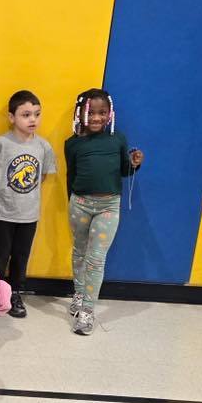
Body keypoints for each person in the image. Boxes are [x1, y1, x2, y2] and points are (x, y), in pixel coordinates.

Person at [65, 88, 144, 335]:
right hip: (79, 204)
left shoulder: (117, 139)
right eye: (91, 112)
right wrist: (71, 201)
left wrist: (134, 164)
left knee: (96, 259)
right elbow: (71, 175)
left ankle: (87, 311)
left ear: (110, 114)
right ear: (80, 113)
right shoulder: (72, 143)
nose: (96, 118)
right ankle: (79, 294)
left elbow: (123, 170)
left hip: (108, 206)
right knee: (79, 251)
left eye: (102, 112)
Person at [0, 90, 56, 318]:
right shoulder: (1, 143)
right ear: (12, 117)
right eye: (26, 115)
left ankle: (15, 293)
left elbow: (42, 176)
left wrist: (27, 195)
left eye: (37, 114)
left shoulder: (44, 147)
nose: (33, 119)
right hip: (1, 213)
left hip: (28, 215)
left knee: (21, 256)